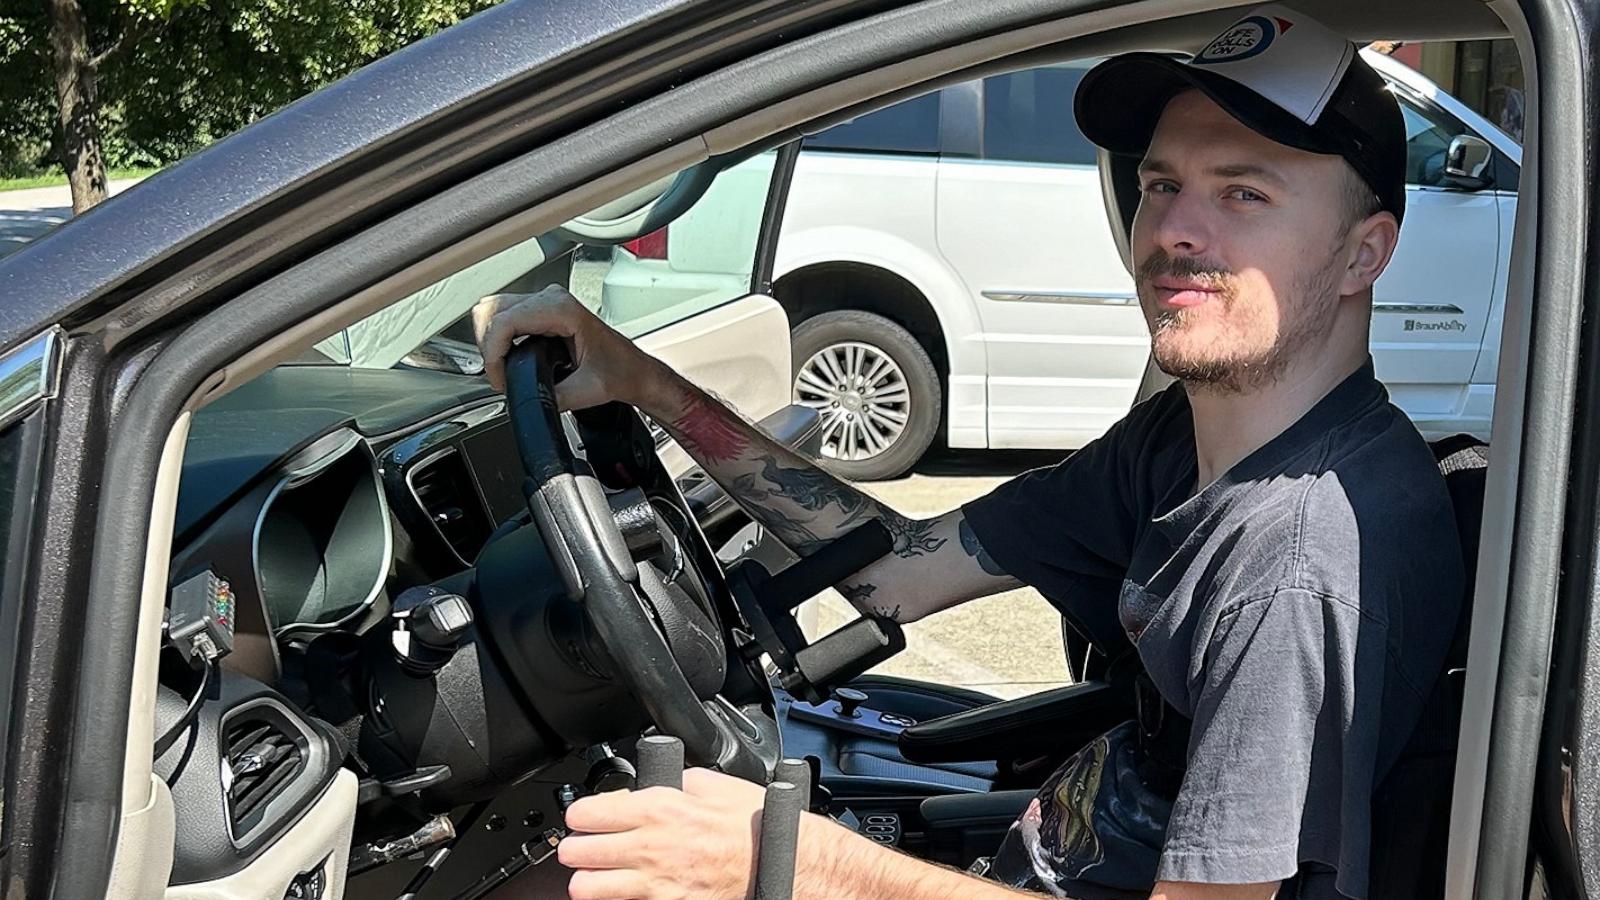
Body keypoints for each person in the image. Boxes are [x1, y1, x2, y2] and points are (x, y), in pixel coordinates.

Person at [471, 6, 1464, 898]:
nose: (1175, 231)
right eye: (1163, 184)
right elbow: (897, 573)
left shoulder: (1296, 567)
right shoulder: (1183, 443)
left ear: (1362, 254)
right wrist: (646, 383)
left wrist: (789, 860)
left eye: (1243, 195)